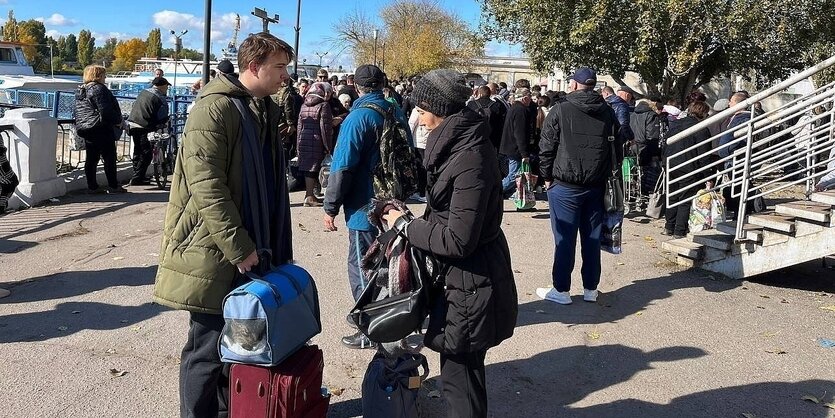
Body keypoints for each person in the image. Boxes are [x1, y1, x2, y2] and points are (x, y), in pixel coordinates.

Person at [153, 32, 295, 418]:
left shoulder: (260, 108)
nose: (286, 76)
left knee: (238, 343)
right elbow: (207, 188)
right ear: (254, 67)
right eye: (279, 67)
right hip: (215, 250)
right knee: (207, 346)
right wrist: (240, 248)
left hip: (249, 242)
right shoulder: (214, 110)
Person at [382, 69, 517, 418]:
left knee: (461, 379)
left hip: (471, 280)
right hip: (461, 279)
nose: (418, 118)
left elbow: (459, 238)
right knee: (460, 373)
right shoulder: (459, 143)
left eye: (422, 110)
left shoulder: (471, 155)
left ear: (438, 109)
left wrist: (406, 226)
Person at [322, 64, 410, 350]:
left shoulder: (358, 118)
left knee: (364, 268)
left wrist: (330, 207)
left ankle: (370, 329)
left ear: (356, 86)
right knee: (389, 265)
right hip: (393, 204)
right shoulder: (395, 111)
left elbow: (342, 167)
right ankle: (388, 318)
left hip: (364, 207)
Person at [536, 67, 623, 305]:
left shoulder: (560, 109)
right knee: (592, 238)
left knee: (564, 238)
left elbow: (546, 147)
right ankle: (590, 289)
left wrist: (546, 177)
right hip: (595, 185)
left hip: (565, 184)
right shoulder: (608, 112)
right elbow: (618, 149)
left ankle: (561, 290)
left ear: (574, 84)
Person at [662, 101, 713, 237]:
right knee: (685, 199)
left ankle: (669, 226)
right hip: (689, 167)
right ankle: (679, 230)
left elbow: (665, 145)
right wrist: (708, 175)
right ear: (703, 113)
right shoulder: (701, 129)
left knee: (672, 196)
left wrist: (664, 163)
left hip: (671, 165)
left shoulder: (675, 125)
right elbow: (704, 154)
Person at [75, 64, 127, 194]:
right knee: (109, 157)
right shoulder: (99, 89)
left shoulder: (82, 89)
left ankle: (92, 186)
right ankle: (113, 185)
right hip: (101, 128)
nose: (105, 77)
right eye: (104, 75)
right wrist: (118, 121)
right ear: (98, 76)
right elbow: (105, 111)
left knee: (91, 159)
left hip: (87, 128)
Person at [127, 76, 171, 186]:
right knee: (146, 154)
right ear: (162, 86)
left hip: (132, 124)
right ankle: (137, 179)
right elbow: (162, 115)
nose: (167, 89)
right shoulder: (160, 97)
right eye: (166, 87)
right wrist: (163, 123)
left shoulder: (143, 92)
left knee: (138, 151)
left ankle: (137, 175)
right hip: (144, 126)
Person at [296, 82, 334, 207]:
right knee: (314, 168)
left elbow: (299, 125)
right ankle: (310, 196)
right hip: (317, 140)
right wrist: (328, 146)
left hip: (304, 139)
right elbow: (325, 128)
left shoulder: (303, 105)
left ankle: (309, 194)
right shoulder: (324, 106)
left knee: (308, 168)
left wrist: (298, 144)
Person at [499, 88, 533, 197]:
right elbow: (520, 133)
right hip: (515, 149)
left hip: (510, 147)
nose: (530, 100)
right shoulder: (521, 111)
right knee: (514, 175)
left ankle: (516, 196)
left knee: (517, 175)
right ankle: (495, 190)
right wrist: (524, 153)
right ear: (525, 98)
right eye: (529, 98)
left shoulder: (514, 108)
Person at [467, 85, 506, 150]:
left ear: (479, 93)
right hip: (492, 137)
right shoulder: (497, 105)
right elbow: (501, 123)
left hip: (474, 136)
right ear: (490, 94)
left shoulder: (471, 104)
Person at [0, 132, 19, 212]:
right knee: (12, 182)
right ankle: (1, 205)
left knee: (7, 184)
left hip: (3, 163)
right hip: (2, 164)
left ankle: (2, 205)